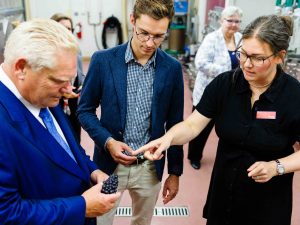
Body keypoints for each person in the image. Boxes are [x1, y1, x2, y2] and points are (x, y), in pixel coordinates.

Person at [135, 15, 300, 225]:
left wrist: (277, 167)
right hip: (224, 197)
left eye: (257, 58)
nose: (246, 64)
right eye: (242, 54)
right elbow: (193, 124)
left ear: (279, 56)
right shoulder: (225, 85)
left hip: (267, 204)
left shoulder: (293, 96)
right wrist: (168, 139)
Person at [0, 19, 120, 225]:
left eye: (69, 80)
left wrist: (93, 171)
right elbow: (6, 213)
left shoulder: (40, 94)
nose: (68, 90)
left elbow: (68, 149)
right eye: (58, 81)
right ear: (21, 68)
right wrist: (82, 206)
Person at [77, 0, 184, 224]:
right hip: (109, 164)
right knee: (101, 221)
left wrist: (174, 172)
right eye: (143, 33)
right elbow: (84, 110)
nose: (149, 42)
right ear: (132, 20)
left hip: (149, 167)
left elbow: (175, 125)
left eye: (158, 36)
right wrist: (107, 141)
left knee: (142, 221)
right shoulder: (103, 61)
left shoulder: (172, 69)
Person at [188, 6, 243, 170]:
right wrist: (228, 73)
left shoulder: (240, 38)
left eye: (237, 21)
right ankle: (194, 156)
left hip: (232, 93)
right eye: (229, 20)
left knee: (228, 127)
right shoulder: (212, 38)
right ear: (221, 21)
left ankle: (227, 158)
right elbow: (201, 63)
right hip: (209, 91)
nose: (233, 24)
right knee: (201, 127)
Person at [51, 13, 84, 142]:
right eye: (62, 28)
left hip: (73, 102)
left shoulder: (75, 49)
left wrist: (81, 86)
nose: (66, 32)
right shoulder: (47, 52)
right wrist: (62, 90)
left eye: (69, 29)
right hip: (54, 102)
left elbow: (80, 74)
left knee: (75, 138)